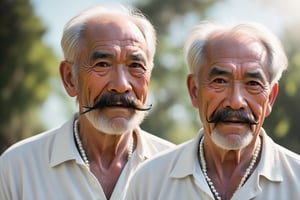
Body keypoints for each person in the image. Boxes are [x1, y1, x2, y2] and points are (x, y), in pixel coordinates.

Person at [0, 4, 175, 200]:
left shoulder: (178, 173)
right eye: (102, 64)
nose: (121, 85)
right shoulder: (18, 169)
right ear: (70, 78)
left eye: (135, 65)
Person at [125, 21, 300, 200]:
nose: (236, 102)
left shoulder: (296, 181)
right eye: (220, 81)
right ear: (194, 91)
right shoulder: (149, 182)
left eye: (252, 84)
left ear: (270, 98)